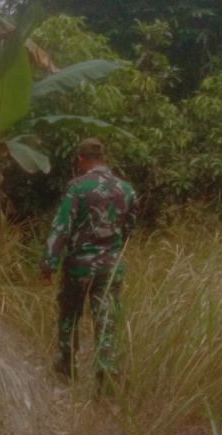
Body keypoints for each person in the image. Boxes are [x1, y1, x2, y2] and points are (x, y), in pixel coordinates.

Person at [40, 138, 138, 388]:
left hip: (78, 268)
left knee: (69, 317)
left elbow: (62, 226)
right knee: (106, 321)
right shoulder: (126, 190)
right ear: (104, 159)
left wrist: (49, 263)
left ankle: (66, 369)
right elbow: (128, 230)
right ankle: (107, 376)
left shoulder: (78, 187)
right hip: (110, 268)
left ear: (81, 159)